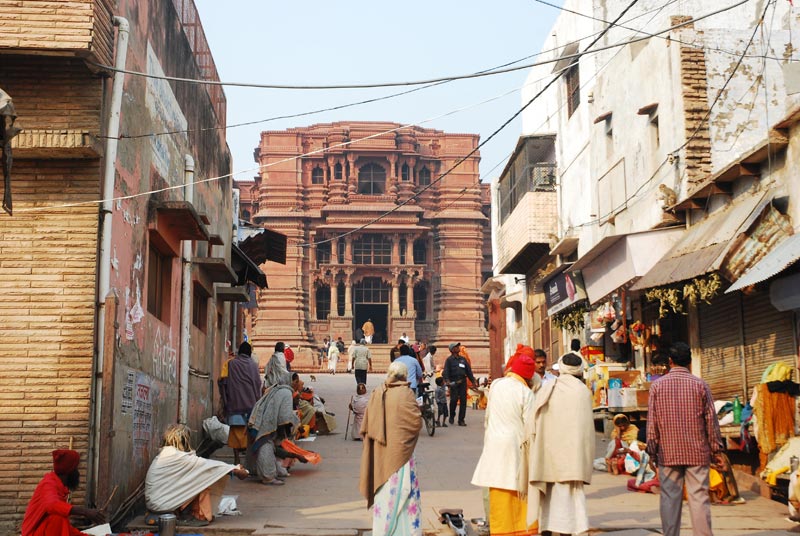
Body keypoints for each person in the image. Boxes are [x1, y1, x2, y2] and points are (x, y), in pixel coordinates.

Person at [646, 342, 724, 536]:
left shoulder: (657, 387)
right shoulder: (700, 385)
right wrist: (717, 450)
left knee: (670, 498)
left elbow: (652, 423)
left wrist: (652, 451)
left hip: (668, 452)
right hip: (697, 452)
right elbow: (711, 421)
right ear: (689, 362)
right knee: (699, 498)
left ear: (670, 362)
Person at [472, 349, 538, 536]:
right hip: (515, 444)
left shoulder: (497, 385)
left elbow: (488, 415)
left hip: (493, 442)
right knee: (518, 490)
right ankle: (521, 530)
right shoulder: (526, 393)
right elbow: (530, 427)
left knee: (498, 489)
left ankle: (501, 530)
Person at [528, 353, 594, 536]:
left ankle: (548, 529)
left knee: (551, 495)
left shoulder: (549, 388)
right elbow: (587, 430)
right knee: (571, 497)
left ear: (561, 367)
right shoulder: (583, 391)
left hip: (551, 452)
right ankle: (570, 530)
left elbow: (536, 418)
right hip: (574, 454)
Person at [359, 361, 422, 536]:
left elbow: (367, 425)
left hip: (381, 454)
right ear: (404, 375)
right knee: (405, 493)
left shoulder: (377, 393)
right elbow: (416, 422)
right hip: (403, 455)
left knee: (385, 495)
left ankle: (383, 531)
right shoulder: (406, 393)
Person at [145, 425, 249, 525]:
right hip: (161, 505)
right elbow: (207, 466)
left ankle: (184, 512)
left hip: (154, 504)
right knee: (200, 481)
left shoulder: (165, 454)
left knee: (195, 477)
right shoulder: (177, 456)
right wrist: (234, 470)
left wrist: (232, 468)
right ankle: (188, 515)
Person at [21, 449, 106, 536]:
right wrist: (85, 512)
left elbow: (65, 528)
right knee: (58, 517)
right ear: (69, 471)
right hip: (32, 533)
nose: (78, 473)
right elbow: (51, 505)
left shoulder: (59, 486)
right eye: (76, 468)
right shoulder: (48, 484)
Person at [249, 366, 298, 485]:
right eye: (296, 382)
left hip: (260, 421)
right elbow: (284, 416)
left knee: (269, 448)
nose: (297, 384)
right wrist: (293, 425)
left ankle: (263, 471)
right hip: (267, 425)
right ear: (290, 381)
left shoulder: (276, 389)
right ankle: (268, 476)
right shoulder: (286, 392)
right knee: (265, 448)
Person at [218, 341, 263, 466]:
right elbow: (258, 384)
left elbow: (223, 382)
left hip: (235, 405)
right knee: (250, 434)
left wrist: (225, 401)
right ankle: (249, 460)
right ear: (249, 354)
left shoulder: (231, 364)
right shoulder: (254, 366)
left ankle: (237, 458)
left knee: (235, 433)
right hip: (251, 406)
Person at [443, 342, 477, 426]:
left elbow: (468, 371)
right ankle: (452, 415)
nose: (458, 347)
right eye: (456, 347)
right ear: (452, 350)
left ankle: (461, 420)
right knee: (453, 400)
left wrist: (473, 381)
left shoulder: (463, 359)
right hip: (454, 382)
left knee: (463, 400)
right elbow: (446, 371)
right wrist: (447, 381)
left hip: (462, 382)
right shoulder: (449, 360)